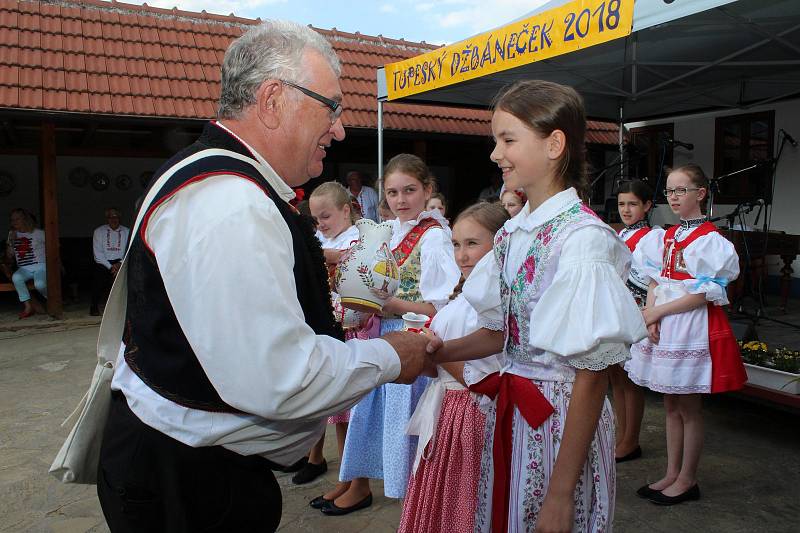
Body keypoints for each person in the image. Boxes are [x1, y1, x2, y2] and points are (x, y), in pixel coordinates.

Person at [96, 20, 432, 532]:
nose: (339, 129)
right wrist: (392, 355)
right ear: (274, 98)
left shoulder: (217, 178)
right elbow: (280, 377)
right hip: (190, 483)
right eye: (332, 107)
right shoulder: (233, 203)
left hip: (188, 465)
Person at [428, 80, 647, 532]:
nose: (495, 153)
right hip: (511, 414)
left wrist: (562, 492)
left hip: (560, 424)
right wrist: (433, 352)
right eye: (496, 140)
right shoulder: (511, 233)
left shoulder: (581, 239)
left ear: (554, 144)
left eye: (508, 140)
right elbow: (502, 333)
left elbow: (591, 374)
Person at [332, 153, 460, 515]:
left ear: (427, 189)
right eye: (392, 192)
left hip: (410, 341)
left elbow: (441, 309)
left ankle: (415, 509)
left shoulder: (433, 238)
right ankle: (368, 490)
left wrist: (392, 305)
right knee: (376, 420)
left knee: (405, 433)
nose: (400, 200)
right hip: (383, 336)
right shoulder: (390, 231)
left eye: (409, 190)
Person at [626, 164, 746, 505]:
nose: (674, 197)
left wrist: (657, 312)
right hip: (664, 324)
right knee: (669, 403)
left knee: (689, 406)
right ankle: (671, 471)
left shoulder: (711, 241)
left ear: (700, 193)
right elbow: (654, 280)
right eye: (669, 191)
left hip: (689, 324)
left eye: (681, 190)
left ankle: (688, 478)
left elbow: (704, 293)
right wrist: (650, 316)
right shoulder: (663, 236)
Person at [399, 202, 507, 533]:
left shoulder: (497, 301)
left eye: (473, 244)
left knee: (468, 501)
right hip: (447, 409)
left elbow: (488, 376)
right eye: (456, 244)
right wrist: (424, 355)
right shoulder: (460, 296)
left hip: (474, 415)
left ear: (500, 244)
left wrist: (433, 351)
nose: (462, 255)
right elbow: (442, 369)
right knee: (440, 498)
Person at [293, 181, 361, 486]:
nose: (320, 224)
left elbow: (348, 257)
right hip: (324, 324)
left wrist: (319, 254)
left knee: (345, 411)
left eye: (326, 216)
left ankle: (348, 476)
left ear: (346, 211)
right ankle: (314, 455)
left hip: (352, 330)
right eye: (316, 219)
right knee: (320, 400)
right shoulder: (321, 238)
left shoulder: (357, 237)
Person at [610, 180, 655, 463]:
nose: (626, 209)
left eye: (633, 204)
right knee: (616, 377)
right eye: (622, 204)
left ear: (647, 206)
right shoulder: (622, 233)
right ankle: (620, 434)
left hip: (634, 310)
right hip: (615, 308)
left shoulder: (651, 238)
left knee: (630, 380)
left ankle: (631, 440)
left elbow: (649, 278)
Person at [6, 208, 46, 319]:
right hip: (24, 268)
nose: (14, 222)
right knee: (16, 277)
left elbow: (54, 246)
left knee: (40, 285)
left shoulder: (39, 233)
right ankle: (28, 306)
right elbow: (9, 256)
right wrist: (11, 241)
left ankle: (52, 299)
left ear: (25, 219)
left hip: (41, 266)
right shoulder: (12, 234)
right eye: (12, 220)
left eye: (17, 219)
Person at [90, 208, 130, 316]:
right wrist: (110, 267)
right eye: (111, 217)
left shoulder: (127, 231)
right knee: (98, 280)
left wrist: (120, 263)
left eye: (116, 217)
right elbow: (98, 254)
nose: (114, 219)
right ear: (107, 219)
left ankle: (124, 309)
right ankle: (94, 307)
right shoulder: (99, 231)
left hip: (121, 261)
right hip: (104, 262)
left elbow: (129, 249)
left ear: (120, 218)